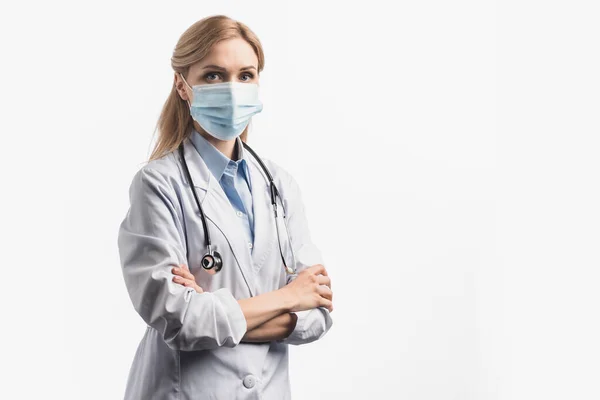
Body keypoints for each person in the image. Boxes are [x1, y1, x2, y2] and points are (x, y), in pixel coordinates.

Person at [117, 15, 334, 400]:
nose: (232, 90)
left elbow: (318, 313)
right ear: (182, 85)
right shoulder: (158, 185)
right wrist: (287, 297)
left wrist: (213, 312)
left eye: (245, 75)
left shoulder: (280, 186)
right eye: (214, 75)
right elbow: (178, 320)